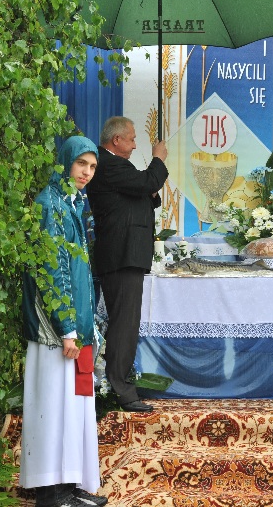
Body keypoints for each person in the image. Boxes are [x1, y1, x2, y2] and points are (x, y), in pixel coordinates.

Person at [20, 136, 108, 507]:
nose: (87, 172)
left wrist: (85, 329)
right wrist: (67, 329)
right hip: (56, 333)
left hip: (75, 331)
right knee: (54, 409)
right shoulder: (49, 205)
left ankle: (70, 486)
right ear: (66, 162)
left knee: (73, 409)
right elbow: (52, 273)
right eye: (81, 164)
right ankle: (51, 494)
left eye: (92, 167)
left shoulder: (70, 203)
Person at [86, 116, 169, 413]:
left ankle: (117, 383)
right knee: (124, 324)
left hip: (125, 256)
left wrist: (148, 187)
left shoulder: (115, 166)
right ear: (116, 140)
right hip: (121, 255)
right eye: (132, 139)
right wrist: (158, 159)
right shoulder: (108, 164)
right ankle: (121, 389)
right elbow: (147, 183)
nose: (135, 145)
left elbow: (142, 194)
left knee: (126, 323)